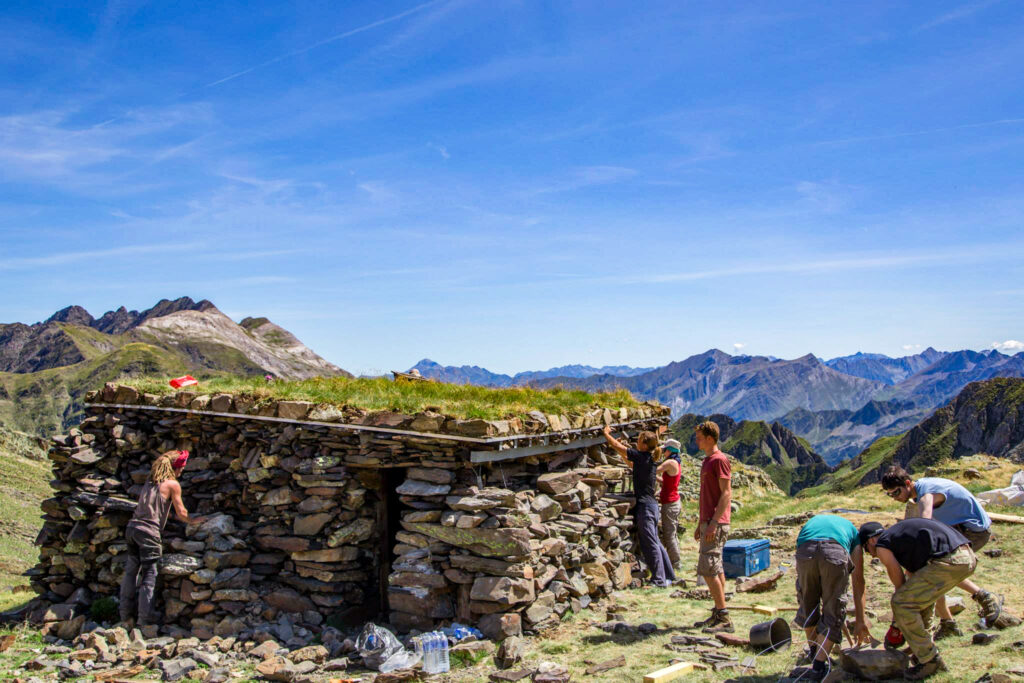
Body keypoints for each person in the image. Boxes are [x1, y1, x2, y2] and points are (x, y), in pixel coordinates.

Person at [881, 465, 1002, 634]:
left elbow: (925, 523)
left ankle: (985, 598)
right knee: (933, 570)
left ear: (908, 483)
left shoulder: (926, 495)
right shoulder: (922, 488)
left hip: (973, 530)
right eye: (890, 494)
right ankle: (948, 623)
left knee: (940, 568)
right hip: (961, 527)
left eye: (896, 492)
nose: (894, 497)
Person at [860, 518, 977, 680]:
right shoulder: (903, 540)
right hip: (966, 556)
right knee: (918, 601)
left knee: (901, 602)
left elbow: (900, 588)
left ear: (872, 540)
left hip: (949, 560)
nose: (871, 554)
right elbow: (915, 592)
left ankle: (930, 660)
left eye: (867, 549)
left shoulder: (882, 545)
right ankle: (923, 651)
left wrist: (896, 626)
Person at [119, 450, 204, 626]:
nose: (182, 472)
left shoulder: (150, 482)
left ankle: (124, 615)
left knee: (131, 572)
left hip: (132, 528)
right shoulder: (172, 484)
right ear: (175, 468)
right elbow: (181, 512)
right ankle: (145, 619)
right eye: (181, 468)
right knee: (149, 574)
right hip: (149, 532)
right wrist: (193, 520)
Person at [792, 514, 872, 681]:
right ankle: (819, 667)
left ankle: (814, 653)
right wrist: (860, 619)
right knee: (833, 610)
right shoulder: (853, 533)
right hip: (835, 552)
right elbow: (858, 580)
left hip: (805, 551)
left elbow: (800, 549)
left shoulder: (812, 524)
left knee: (808, 603)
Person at [602, 426, 675, 587]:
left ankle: (659, 579)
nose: (636, 442)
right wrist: (622, 451)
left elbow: (619, 447)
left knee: (649, 542)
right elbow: (630, 463)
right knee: (655, 540)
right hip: (652, 506)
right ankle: (669, 575)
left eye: (639, 440)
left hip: (645, 507)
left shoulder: (641, 456)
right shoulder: (648, 458)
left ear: (643, 444)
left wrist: (607, 434)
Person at [691, 420, 733, 633]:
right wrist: (702, 523)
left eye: (699, 437)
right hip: (709, 521)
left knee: (707, 568)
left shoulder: (719, 461)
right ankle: (718, 612)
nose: (696, 441)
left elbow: (726, 493)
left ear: (710, 438)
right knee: (716, 567)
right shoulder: (708, 461)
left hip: (716, 523)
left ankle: (724, 617)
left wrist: (714, 523)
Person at [657, 438, 683, 571]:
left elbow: (655, 469)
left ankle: (676, 563)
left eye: (665, 450)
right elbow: (668, 482)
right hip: (674, 501)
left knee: (669, 535)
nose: (663, 452)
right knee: (672, 534)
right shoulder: (676, 462)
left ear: (669, 451)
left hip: (670, 503)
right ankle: (675, 561)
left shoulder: (670, 463)